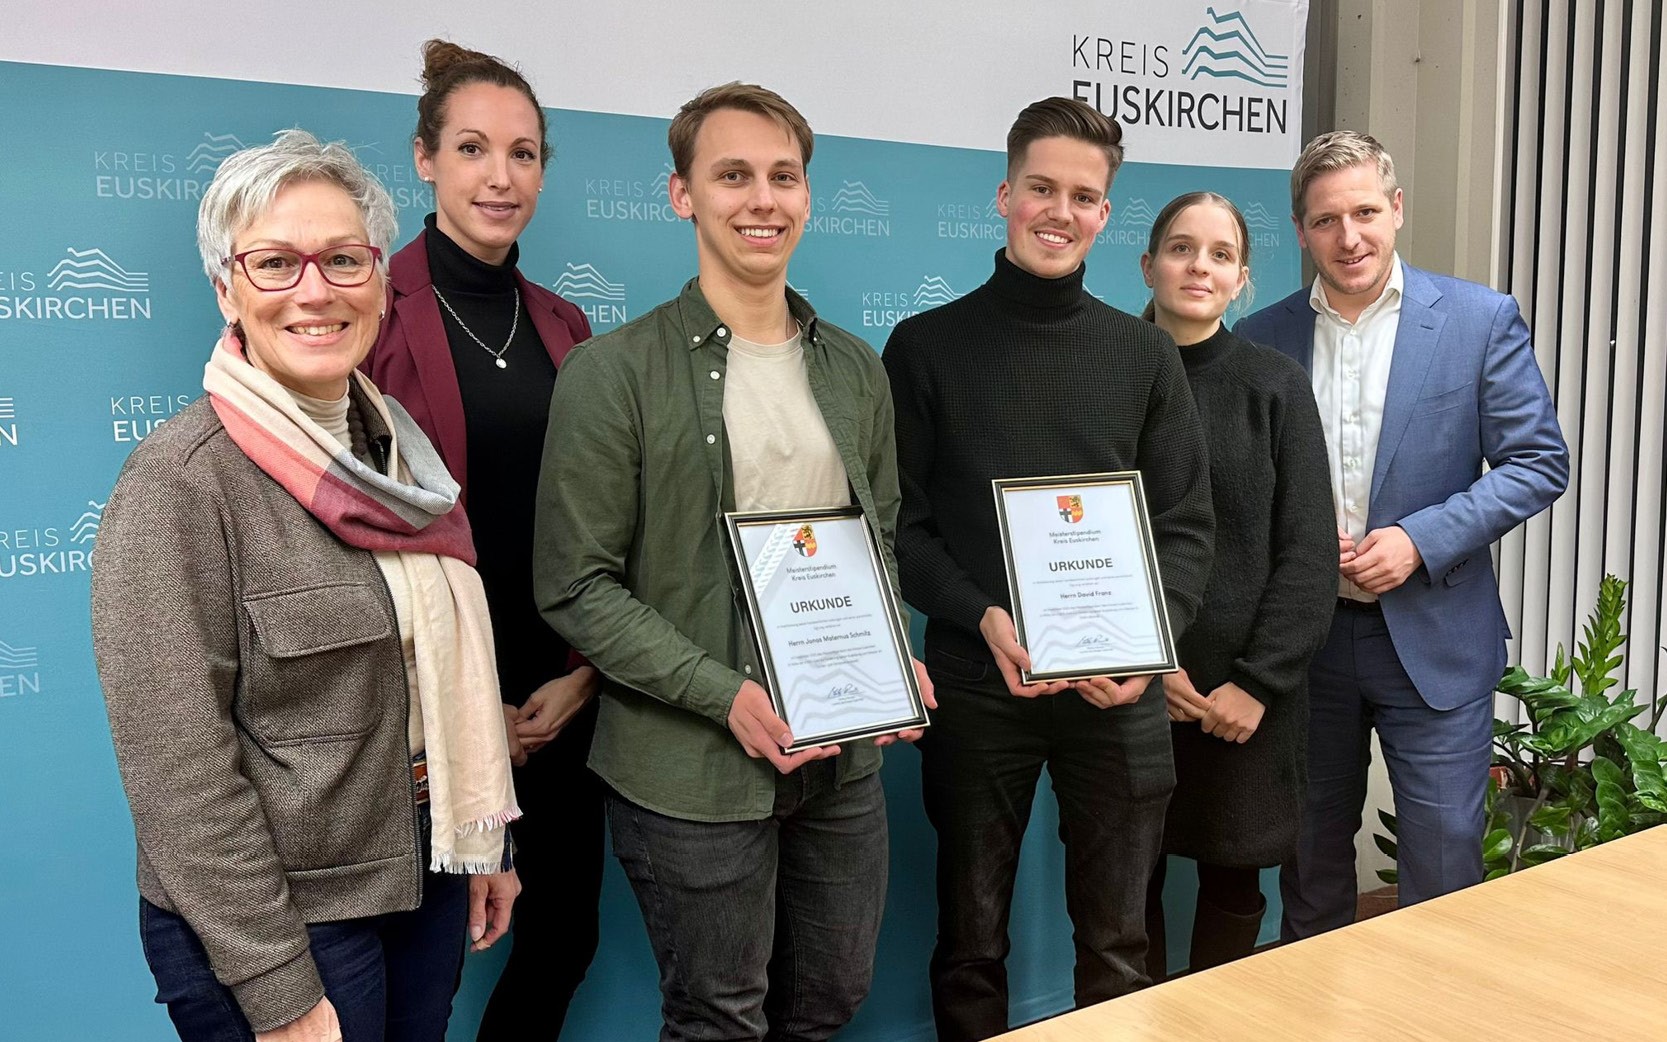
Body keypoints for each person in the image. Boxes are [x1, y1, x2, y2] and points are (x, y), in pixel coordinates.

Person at [91, 129, 520, 1042]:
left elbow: (434, 691)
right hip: (283, 920)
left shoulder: (403, 459)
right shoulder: (181, 483)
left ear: (380, 279)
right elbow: (178, 773)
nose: (316, 291)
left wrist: (482, 840)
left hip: (425, 872)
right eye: (276, 263)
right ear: (227, 289)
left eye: (343, 259)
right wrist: (274, 984)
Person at [532, 82, 933, 1042]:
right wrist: (726, 697)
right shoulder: (613, 373)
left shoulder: (855, 369)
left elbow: (875, 540)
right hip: (689, 772)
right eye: (733, 176)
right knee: (719, 1020)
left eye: (783, 177)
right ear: (682, 195)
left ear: (808, 196)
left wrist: (888, 657)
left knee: (828, 998)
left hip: (839, 761)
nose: (763, 199)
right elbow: (575, 585)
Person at [882, 97, 1215, 1041]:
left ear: (1105, 213)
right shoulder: (925, 347)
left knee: (1118, 946)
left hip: (1118, 689)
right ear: (1004, 195)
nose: (1059, 212)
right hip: (977, 679)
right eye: (1041, 189)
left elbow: (1186, 528)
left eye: (1082, 196)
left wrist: (1148, 647)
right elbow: (902, 529)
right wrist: (981, 615)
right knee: (969, 940)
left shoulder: (1144, 354)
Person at [1236, 130, 1569, 939]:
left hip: (1434, 638)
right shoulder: (1259, 340)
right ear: (1299, 229)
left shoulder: (1477, 320)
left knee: (1444, 867)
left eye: (1362, 213)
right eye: (1325, 220)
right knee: (1307, 864)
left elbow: (1536, 461)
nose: (1347, 238)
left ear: (1395, 209)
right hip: (1306, 644)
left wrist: (1419, 540)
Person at [362, 40, 601, 1039]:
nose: (500, 177)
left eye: (522, 153)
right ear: (424, 159)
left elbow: (603, 521)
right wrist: (469, 709)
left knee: (564, 936)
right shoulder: (367, 312)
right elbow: (352, 543)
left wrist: (580, 678)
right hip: (425, 706)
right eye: (472, 148)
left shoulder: (566, 326)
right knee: (421, 969)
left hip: (559, 697)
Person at [1132, 191, 1336, 980]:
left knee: (1233, 880)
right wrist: (1143, 663)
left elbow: (1307, 552)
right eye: (1181, 248)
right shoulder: (1108, 375)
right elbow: (1079, 545)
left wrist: (1255, 684)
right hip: (1128, 686)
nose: (1199, 267)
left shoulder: (1274, 385)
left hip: (1245, 700)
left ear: (1241, 279)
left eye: (1220, 255)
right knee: (1124, 884)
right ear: (1147, 264)